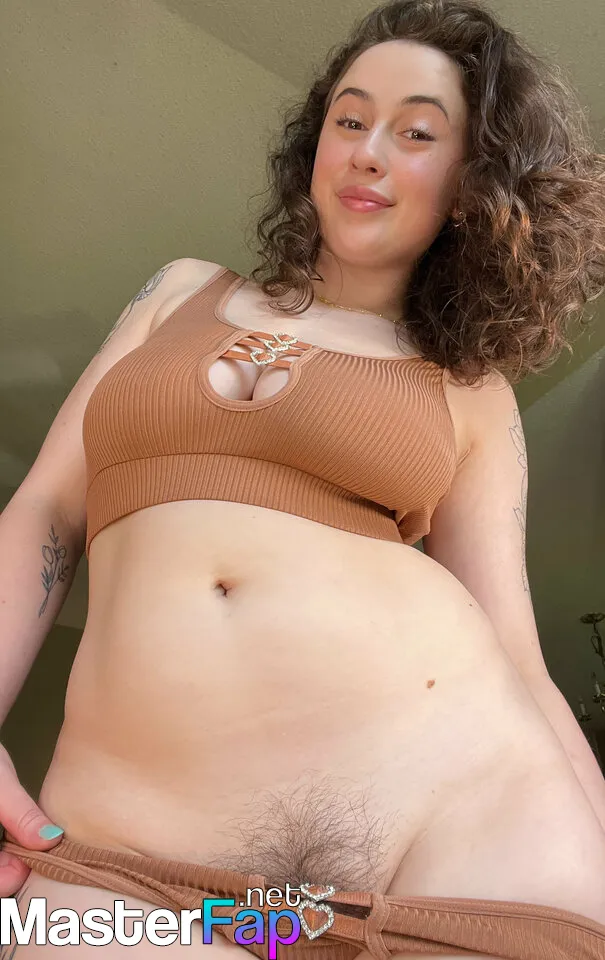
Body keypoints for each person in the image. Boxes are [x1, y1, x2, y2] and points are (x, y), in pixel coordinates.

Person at [1, 0, 605, 956]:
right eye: (349, 119)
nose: (368, 151)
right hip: (133, 868)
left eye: (416, 133)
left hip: (465, 841)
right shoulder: (179, 293)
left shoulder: (470, 390)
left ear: (468, 184)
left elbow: (515, 652)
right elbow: (43, 509)